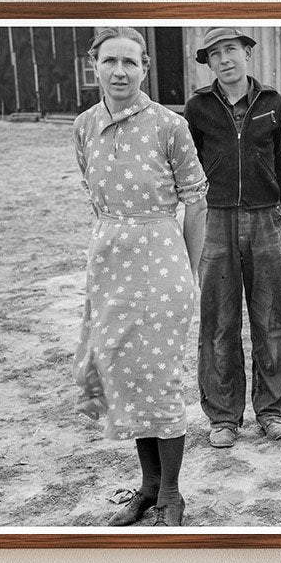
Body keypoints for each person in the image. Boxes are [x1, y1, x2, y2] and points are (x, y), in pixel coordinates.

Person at [73, 26, 208, 527]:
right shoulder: (84, 126)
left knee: (160, 375)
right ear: (94, 65)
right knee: (126, 374)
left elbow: (197, 202)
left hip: (161, 260)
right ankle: (149, 487)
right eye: (110, 61)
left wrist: (187, 270)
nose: (119, 71)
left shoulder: (170, 126)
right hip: (109, 263)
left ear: (145, 68)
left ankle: (172, 493)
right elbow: (95, 196)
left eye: (130, 62)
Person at [183, 27, 281, 449]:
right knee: (218, 318)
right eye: (214, 55)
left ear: (247, 52)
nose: (224, 60)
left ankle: (273, 411)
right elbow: (190, 164)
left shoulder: (273, 103)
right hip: (215, 220)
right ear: (209, 64)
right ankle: (223, 416)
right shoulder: (197, 107)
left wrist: (273, 207)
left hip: (265, 219)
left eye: (231, 50)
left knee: (272, 316)